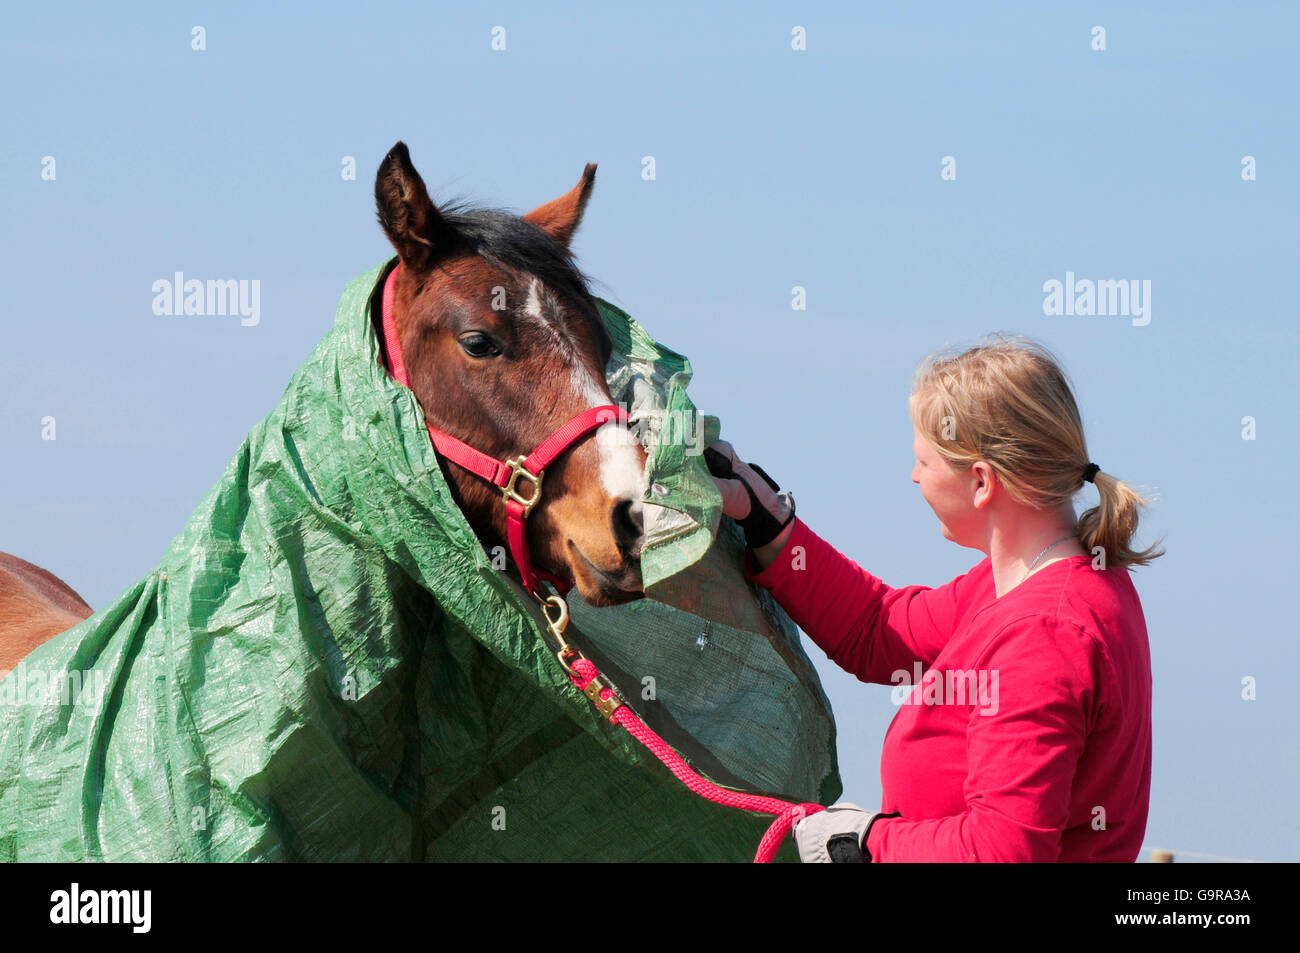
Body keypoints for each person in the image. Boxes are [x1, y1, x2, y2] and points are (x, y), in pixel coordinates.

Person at [706, 336, 1160, 862]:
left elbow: (1002, 852)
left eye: (924, 460)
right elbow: (880, 629)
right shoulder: (1040, 580)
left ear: (982, 483)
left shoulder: (1044, 631)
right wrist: (766, 517)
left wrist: (863, 843)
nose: (915, 476)